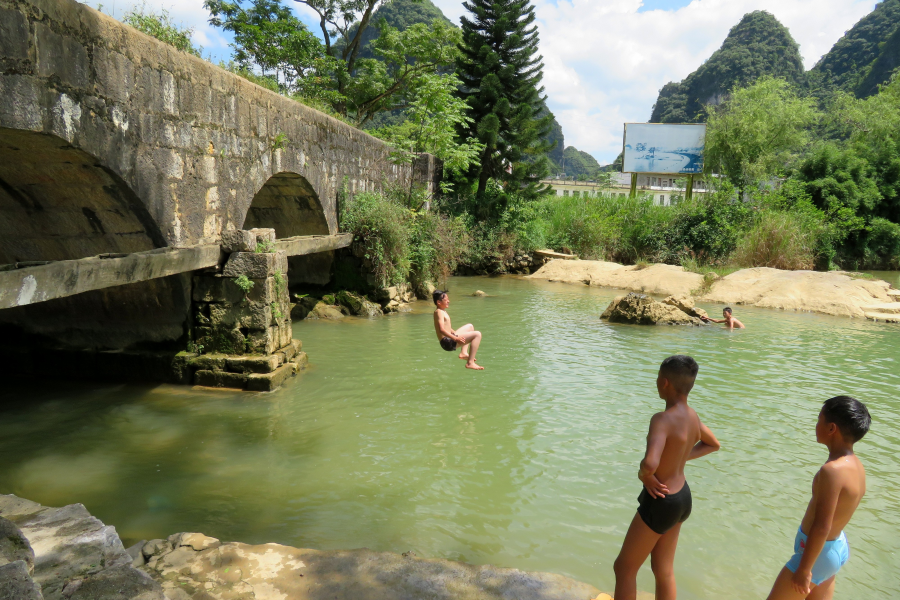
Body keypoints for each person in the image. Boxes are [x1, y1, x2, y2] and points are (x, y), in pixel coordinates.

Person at [613, 355, 720, 600]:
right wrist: (679, 459)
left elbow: (650, 463)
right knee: (663, 569)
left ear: (664, 383)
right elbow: (713, 444)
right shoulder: (692, 416)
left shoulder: (661, 420)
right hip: (682, 498)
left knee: (624, 568)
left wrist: (645, 476)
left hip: (661, 499)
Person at [765, 396, 871, 600]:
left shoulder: (831, 470)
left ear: (831, 428)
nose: (815, 425)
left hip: (817, 556)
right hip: (835, 548)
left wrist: (804, 569)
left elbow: (822, 525)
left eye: (818, 420)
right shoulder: (856, 465)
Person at [432, 290, 484, 371]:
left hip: (449, 339)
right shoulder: (439, 312)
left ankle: (463, 353)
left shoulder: (442, 311)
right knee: (477, 334)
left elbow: (447, 328)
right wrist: (455, 338)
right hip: (447, 342)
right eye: (446, 300)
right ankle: (470, 363)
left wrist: (455, 333)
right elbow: (441, 330)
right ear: (439, 302)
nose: (449, 301)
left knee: (470, 327)